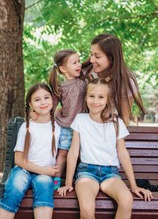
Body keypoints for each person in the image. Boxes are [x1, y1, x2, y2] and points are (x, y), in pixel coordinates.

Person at [58, 79, 153, 219]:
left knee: (127, 200)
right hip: (86, 173)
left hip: (111, 174)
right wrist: (68, 183)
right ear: (85, 98)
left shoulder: (116, 123)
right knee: (87, 208)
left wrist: (134, 186)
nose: (95, 101)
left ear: (107, 100)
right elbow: (73, 152)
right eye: (91, 96)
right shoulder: (80, 120)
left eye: (101, 97)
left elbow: (123, 154)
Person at [0, 83, 61, 219]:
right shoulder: (27, 127)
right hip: (24, 169)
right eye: (37, 100)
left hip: (45, 174)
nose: (43, 102)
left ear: (52, 100)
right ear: (31, 104)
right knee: (15, 187)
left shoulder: (59, 126)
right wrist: (44, 170)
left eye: (46, 97)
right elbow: (18, 160)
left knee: (45, 187)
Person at [82, 33, 146, 125]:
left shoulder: (125, 80)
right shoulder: (86, 74)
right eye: (91, 54)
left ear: (112, 58)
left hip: (111, 128)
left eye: (97, 56)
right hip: (85, 127)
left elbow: (124, 119)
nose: (92, 60)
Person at [49, 49, 86, 190]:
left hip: (83, 128)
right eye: (74, 62)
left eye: (79, 61)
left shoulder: (83, 84)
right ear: (63, 69)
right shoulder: (59, 88)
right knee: (63, 153)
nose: (79, 65)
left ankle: (83, 180)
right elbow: (51, 107)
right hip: (67, 126)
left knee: (83, 154)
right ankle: (57, 182)